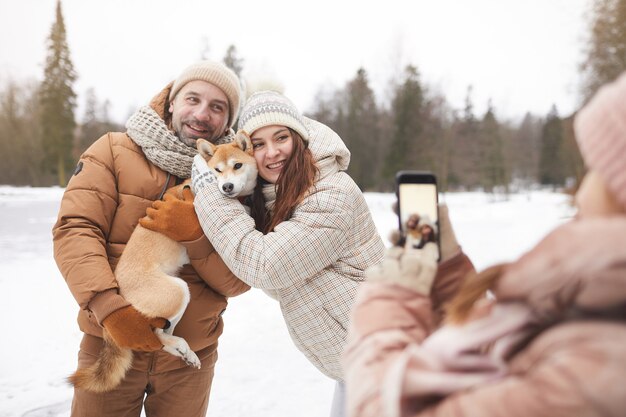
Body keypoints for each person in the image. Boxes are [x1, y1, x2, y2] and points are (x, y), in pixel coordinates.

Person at [343, 72, 626, 417]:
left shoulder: (597, 376)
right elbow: (502, 357)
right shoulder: (599, 302)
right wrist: (448, 269)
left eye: (594, 169)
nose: (579, 189)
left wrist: (389, 302)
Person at [141, 90, 386, 416]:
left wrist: (210, 193)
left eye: (281, 137)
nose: (272, 152)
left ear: (299, 137)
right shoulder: (280, 198)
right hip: (358, 368)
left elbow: (264, 265)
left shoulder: (330, 194)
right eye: (259, 144)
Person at [52, 60, 250, 417]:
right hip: (111, 338)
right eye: (193, 99)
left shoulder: (236, 180)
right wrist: (108, 308)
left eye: (217, 107)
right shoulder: (112, 151)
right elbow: (75, 230)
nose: (202, 114)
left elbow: (238, 279)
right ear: (171, 101)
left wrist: (195, 238)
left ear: (227, 119)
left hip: (191, 357)